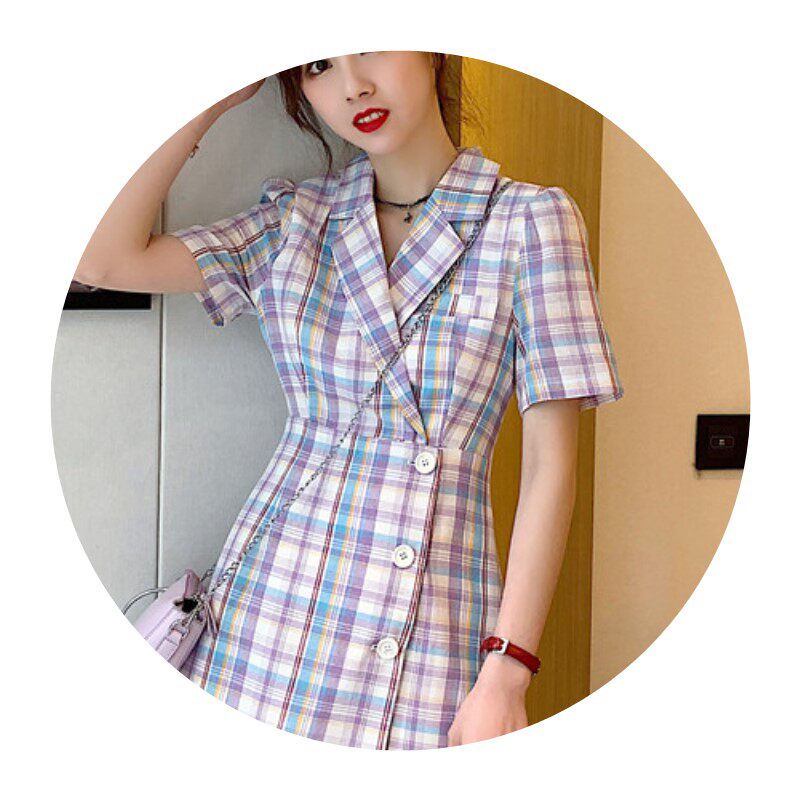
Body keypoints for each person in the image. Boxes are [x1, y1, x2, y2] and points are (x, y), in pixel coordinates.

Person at [74, 51, 624, 750]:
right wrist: (207, 101)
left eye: (372, 45)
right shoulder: (298, 220)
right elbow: (102, 258)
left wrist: (508, 672)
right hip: (268, 611)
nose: (354, 85)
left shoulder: (531, 222)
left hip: (430, 621)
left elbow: (552, 468)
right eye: (319, 66)